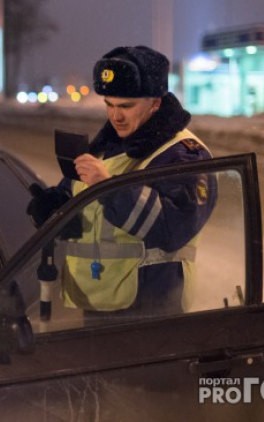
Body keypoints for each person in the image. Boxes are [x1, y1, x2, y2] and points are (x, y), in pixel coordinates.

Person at [27, 45, 217, 318]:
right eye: (109, 105)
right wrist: (56, 208)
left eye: (126, 106)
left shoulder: (183, 154)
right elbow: (87, 206)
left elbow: (172, 229)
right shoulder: (106, 148)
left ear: (156, 103)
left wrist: (109, 187)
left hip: (153, 311)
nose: (116, 116)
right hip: (96, 304)